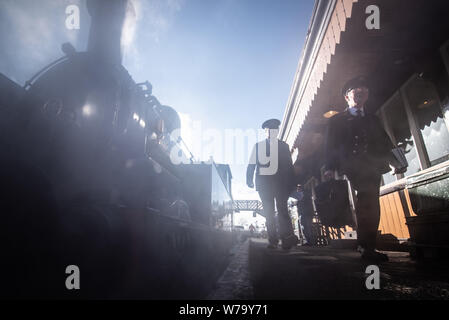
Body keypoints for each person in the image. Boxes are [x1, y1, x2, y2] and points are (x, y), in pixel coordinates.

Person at [324, 76, 393, 262]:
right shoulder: (337, 120)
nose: (361, 92)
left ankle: (367, 246)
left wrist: (395, 160)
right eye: (356, 89)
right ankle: (367, 247)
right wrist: (329, 167)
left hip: (374, 166)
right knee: (368, 200)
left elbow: (385, 142)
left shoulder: (373, 118)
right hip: (353, 166)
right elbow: (330, 145)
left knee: (370, 203)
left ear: (367, 95)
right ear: (347, 97)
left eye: (364, 89)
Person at [247, 119, 298, 250]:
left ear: (277, 131)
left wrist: (293, 184)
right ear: (265, 132)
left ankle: (286, 238)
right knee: (269, 212)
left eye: (274, 129)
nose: (272, 131)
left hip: (281, 185)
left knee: (282, 210)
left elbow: (289, 166)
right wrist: (249, 179)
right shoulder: (258, 146)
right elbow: (251, 164)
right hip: (264, 185)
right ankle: (273, 240)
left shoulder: (284, 146)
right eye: (269, 129)